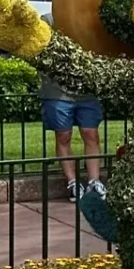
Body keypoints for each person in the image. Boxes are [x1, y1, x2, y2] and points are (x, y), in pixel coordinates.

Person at [40, 73, 105, 202]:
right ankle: (73, 183)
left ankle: (94, 182)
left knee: (91, 134)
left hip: (87, 92)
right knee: (63, 135)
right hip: (57, 93)